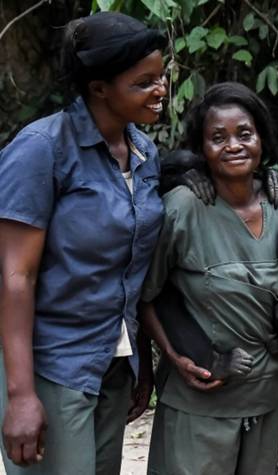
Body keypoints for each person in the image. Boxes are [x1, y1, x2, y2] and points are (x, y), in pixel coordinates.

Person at [138, 81, 278, 475]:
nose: (233, 145)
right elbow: (144, 295)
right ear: (201, 149)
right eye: (218, 138)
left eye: (244, 134)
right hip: (199, 403)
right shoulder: (181, 209)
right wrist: (174, 358)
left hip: (264, 398)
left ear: (261, 139)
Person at [0, 12, 167, 475]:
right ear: (99, 89)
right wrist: (20, 397)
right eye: (144, 82)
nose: (161, 89)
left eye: (162, 76)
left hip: (114, 364)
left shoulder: (144, 152)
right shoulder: (41, 149)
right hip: (54, 365)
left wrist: (141, 359)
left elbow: (134, 268)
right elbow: (15, 276)